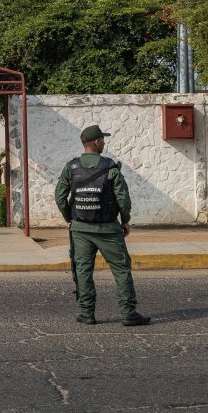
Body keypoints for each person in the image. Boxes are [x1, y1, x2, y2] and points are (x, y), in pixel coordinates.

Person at [54, 125, 150, 326]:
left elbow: (60, 196)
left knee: (83, 270)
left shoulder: (71, 167)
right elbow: (123, 198)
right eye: (103, 140)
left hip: (80, 229)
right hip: (107, 228)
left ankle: (87, 313)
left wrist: (69, 218)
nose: (104, 143)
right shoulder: (110, 167)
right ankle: (128, 313)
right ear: (96, 142)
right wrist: (125, 220)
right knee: (121, 270)